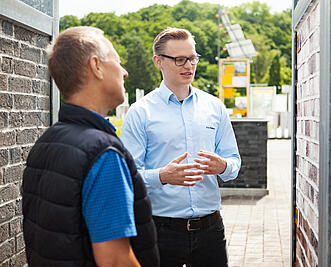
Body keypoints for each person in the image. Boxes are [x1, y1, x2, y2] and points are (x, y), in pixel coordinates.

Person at [22, 26, 159, 267]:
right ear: (96, 66)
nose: (125, 72)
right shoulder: (102, 154)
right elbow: (115, 260)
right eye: (117, 61)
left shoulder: (46, 142)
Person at [120, 27, 241, 267]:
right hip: (161, 231)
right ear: (159, 62)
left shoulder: (214, 107)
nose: (189, 66)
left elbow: (234, 163)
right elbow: (126, 175)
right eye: (179, 59)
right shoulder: (140, 112)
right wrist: (162, 176)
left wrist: (223, 165)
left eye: (193, 58)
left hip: (211, 231)